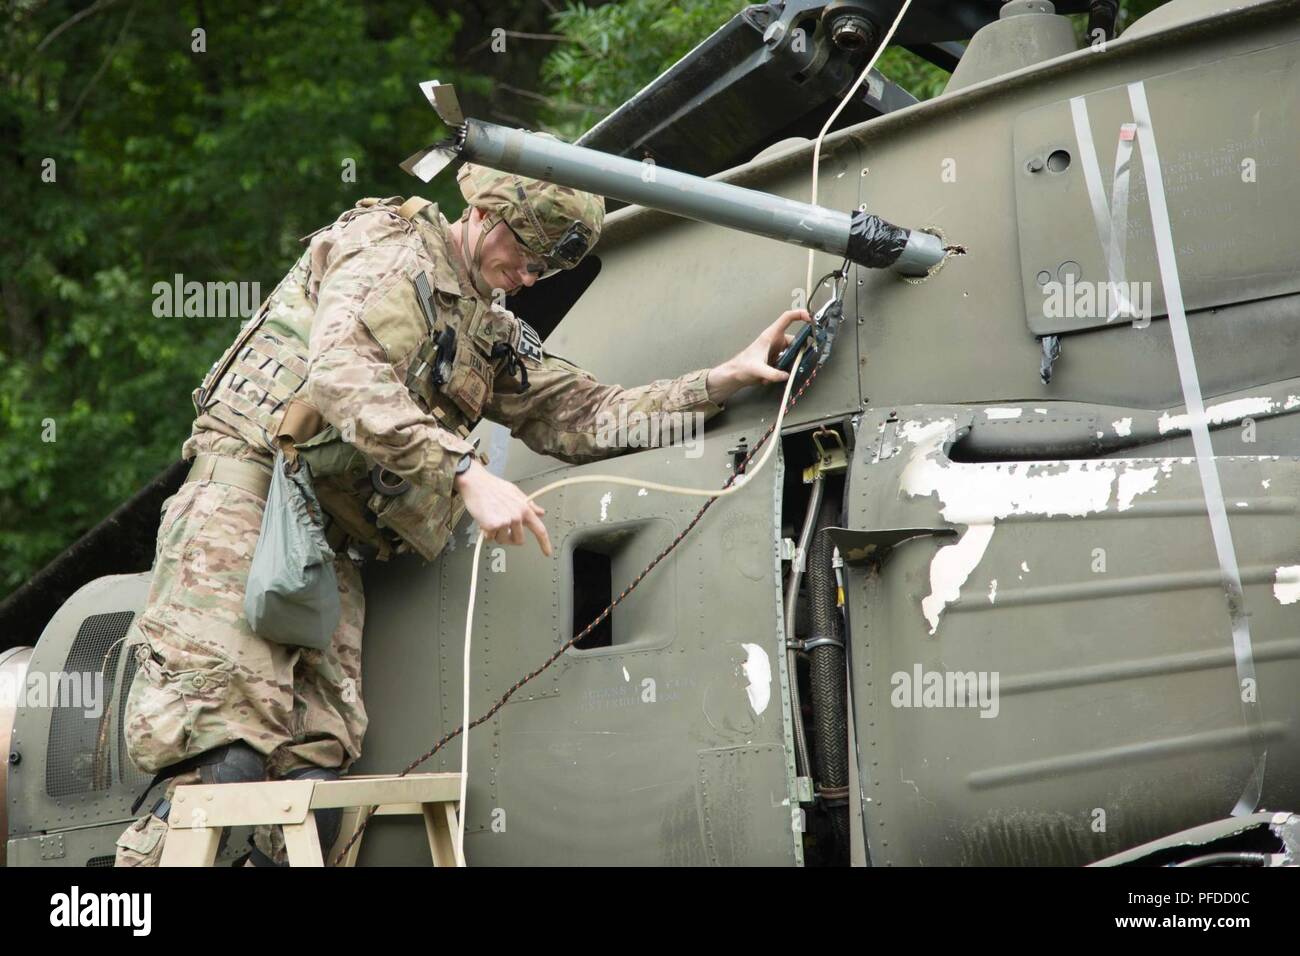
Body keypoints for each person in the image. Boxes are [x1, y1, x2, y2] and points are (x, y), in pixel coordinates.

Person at [114, 159, 807, 866]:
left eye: (545, 265)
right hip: (247, 502)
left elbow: (581, 414)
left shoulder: (485, 329)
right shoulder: (388, 249)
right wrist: (464, 471)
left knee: (313, 782)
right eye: (526, 254)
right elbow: (342, 371)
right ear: (484, 216)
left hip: (326, 547)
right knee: (222, 760)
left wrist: (722, 380)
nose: (531, 276)